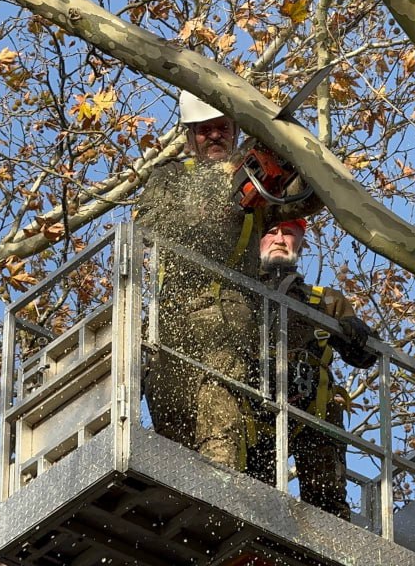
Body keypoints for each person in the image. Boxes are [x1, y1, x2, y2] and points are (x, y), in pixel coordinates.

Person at [136, 92, 321, 470]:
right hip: (173, 323)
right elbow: (150, 227)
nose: (215, 136)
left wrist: (292, 152)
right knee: (173, 436)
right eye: (205, 131)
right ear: (191, 137)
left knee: (222, 413)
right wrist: (219, 191)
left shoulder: (256, 190)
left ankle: (219, 491)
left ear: (235, 131)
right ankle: (183, 494)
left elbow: (310, 198)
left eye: (222, 128)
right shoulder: (170, 177)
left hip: (230, 323)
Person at [246, 218, 378, 518]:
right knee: (253, 490)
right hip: (253, 399)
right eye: (272, 232)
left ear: (301, 244)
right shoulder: (239, 288)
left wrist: (357, 333)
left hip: (312, 405)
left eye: (289, 233)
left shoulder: (325, 300)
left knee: (326, 500)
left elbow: (366, 357)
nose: (280, 239)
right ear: (257, 240)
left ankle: (327, 532)